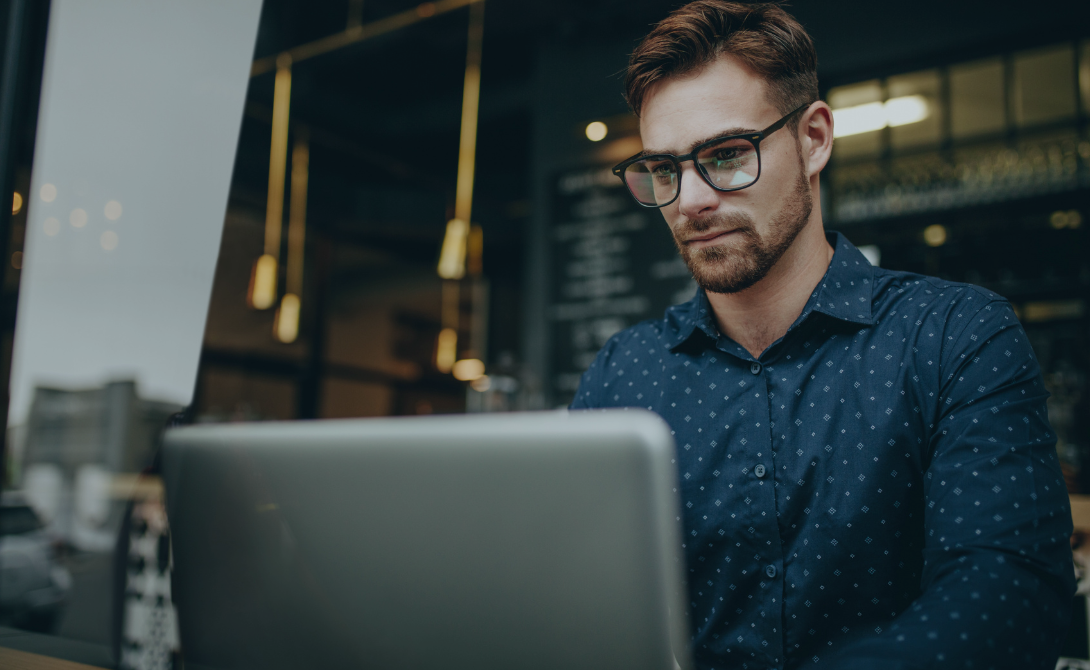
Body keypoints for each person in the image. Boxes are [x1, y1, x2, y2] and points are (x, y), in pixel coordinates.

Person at [570, 2, 1075, 668]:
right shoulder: (622, 373)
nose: (689, 200)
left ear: (813, 140)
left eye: (725, 155)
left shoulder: (955, 336)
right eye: (665, 170)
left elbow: (1011, 600)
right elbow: (575, 599)